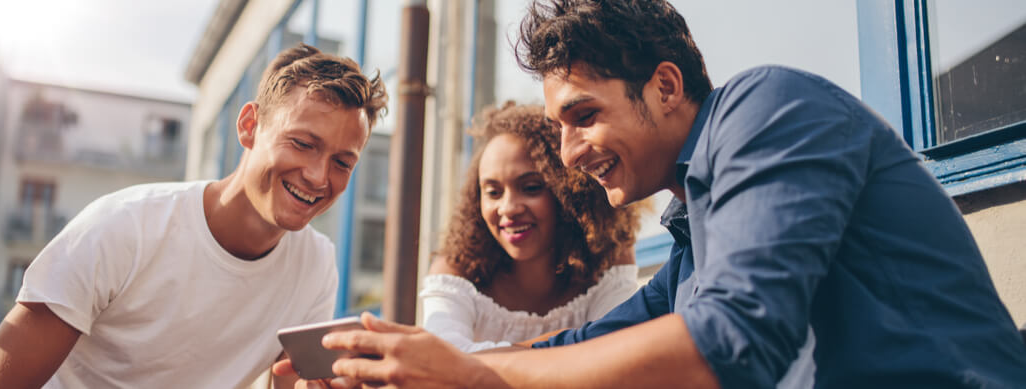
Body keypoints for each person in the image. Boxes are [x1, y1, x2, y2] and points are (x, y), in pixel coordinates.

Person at [279, 0, 1026, 387]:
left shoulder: (769, 108)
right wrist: (418, 364)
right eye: (557, 126)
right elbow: (585, 345)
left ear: (665, 86)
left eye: (584, 116)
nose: (571, 151)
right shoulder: (699, 226)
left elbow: (729, 345)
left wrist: (473, 374)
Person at [0, 44, 387, 389]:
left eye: (342, 163)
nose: (318, 176)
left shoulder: (315, 264)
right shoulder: (125, 227)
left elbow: (287, 384)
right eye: (302, 143)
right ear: (249, 126)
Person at [420, 102, 642, 353]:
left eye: (531, 187)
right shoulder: (457, 270)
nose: (508, 208)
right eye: (493, 192)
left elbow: (614, 355)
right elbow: (442, 361)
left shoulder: (610, 260)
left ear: (569, 193)